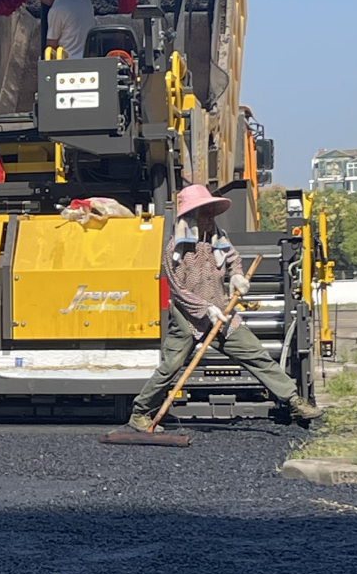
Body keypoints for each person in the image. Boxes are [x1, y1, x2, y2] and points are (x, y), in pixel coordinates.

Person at [128, 183, 324, 432]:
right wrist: (205, 308)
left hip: (222, 311)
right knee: (171, 367)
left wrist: (237, 276)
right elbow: (177, 289)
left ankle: (295, 401)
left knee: (256, 354)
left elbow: (233, 259)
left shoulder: (218, 239)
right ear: (191, 216)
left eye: (211, 211)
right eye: (204, 212)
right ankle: (140, 412)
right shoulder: (174, 250)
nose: (210, 217)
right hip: (188, 317)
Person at [31, 0, 95, 60]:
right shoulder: (85, 0)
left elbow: (51, 46)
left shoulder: (56, 9)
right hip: (89, 60)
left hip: (67, 63)